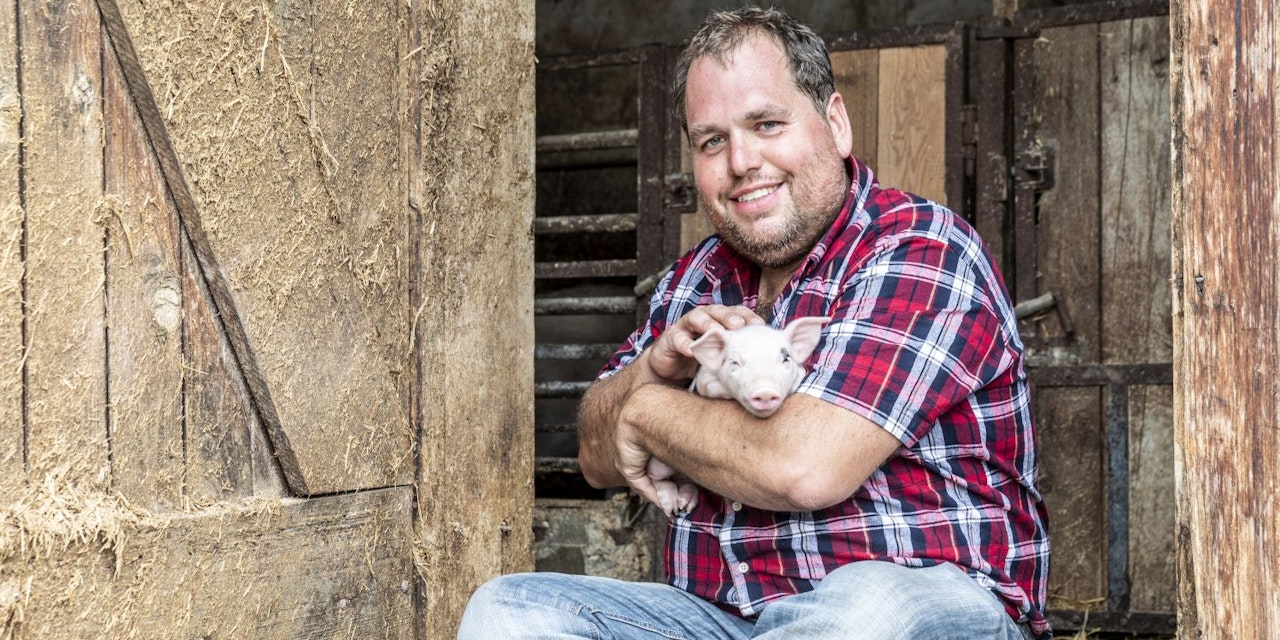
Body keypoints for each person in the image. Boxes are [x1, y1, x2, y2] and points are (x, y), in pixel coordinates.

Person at [458, 7, 1050, 639]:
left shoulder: (920, 249)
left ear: (835, 124)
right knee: (510, 609)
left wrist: (647, 410)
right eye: (712, 141)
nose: (741, 161)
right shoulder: (694, 280)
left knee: (861, 608)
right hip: (725, 618)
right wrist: (650, 371)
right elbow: (596, 460)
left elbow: (805, 469)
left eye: (766, 124)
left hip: (923, 603)